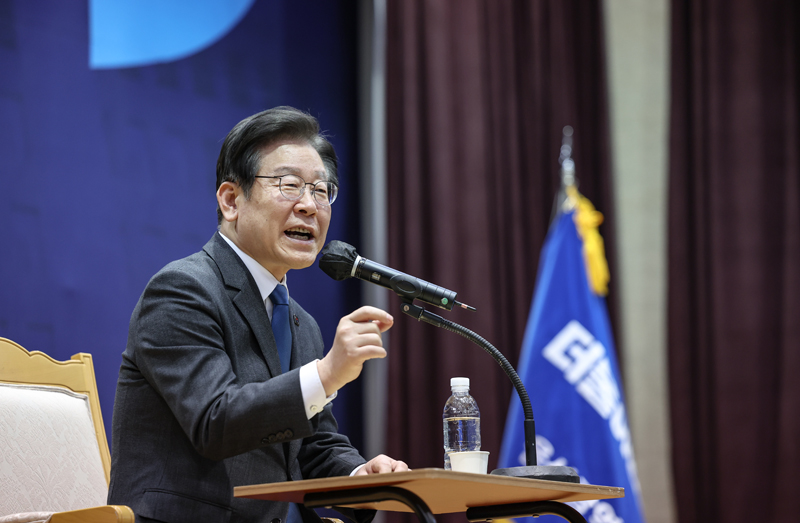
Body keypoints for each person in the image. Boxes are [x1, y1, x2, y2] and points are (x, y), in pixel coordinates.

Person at [107, 106, 408, 523]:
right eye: (289, 185)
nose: (309, 205)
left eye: (322, 191)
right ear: (232, 200)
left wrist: (362, 475)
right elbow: (216, 421)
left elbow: (313, 448)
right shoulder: (182, 290)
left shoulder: (302, 323)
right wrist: (326, 374)